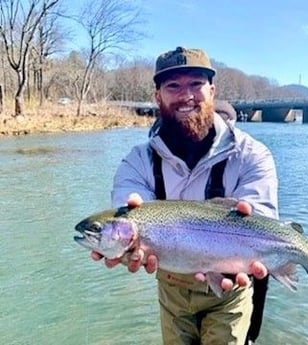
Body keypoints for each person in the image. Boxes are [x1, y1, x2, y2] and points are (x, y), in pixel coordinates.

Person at [92, 46, 278, 345]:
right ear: (158, 97)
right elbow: (125, 210)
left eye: (196, 84)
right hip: (172, 289)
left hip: (232, 287)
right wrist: (123, 244)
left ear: (213, 91)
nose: (186, 95)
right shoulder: (137, 161)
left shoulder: (252, 155)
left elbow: (264, 221)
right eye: (173, 86)